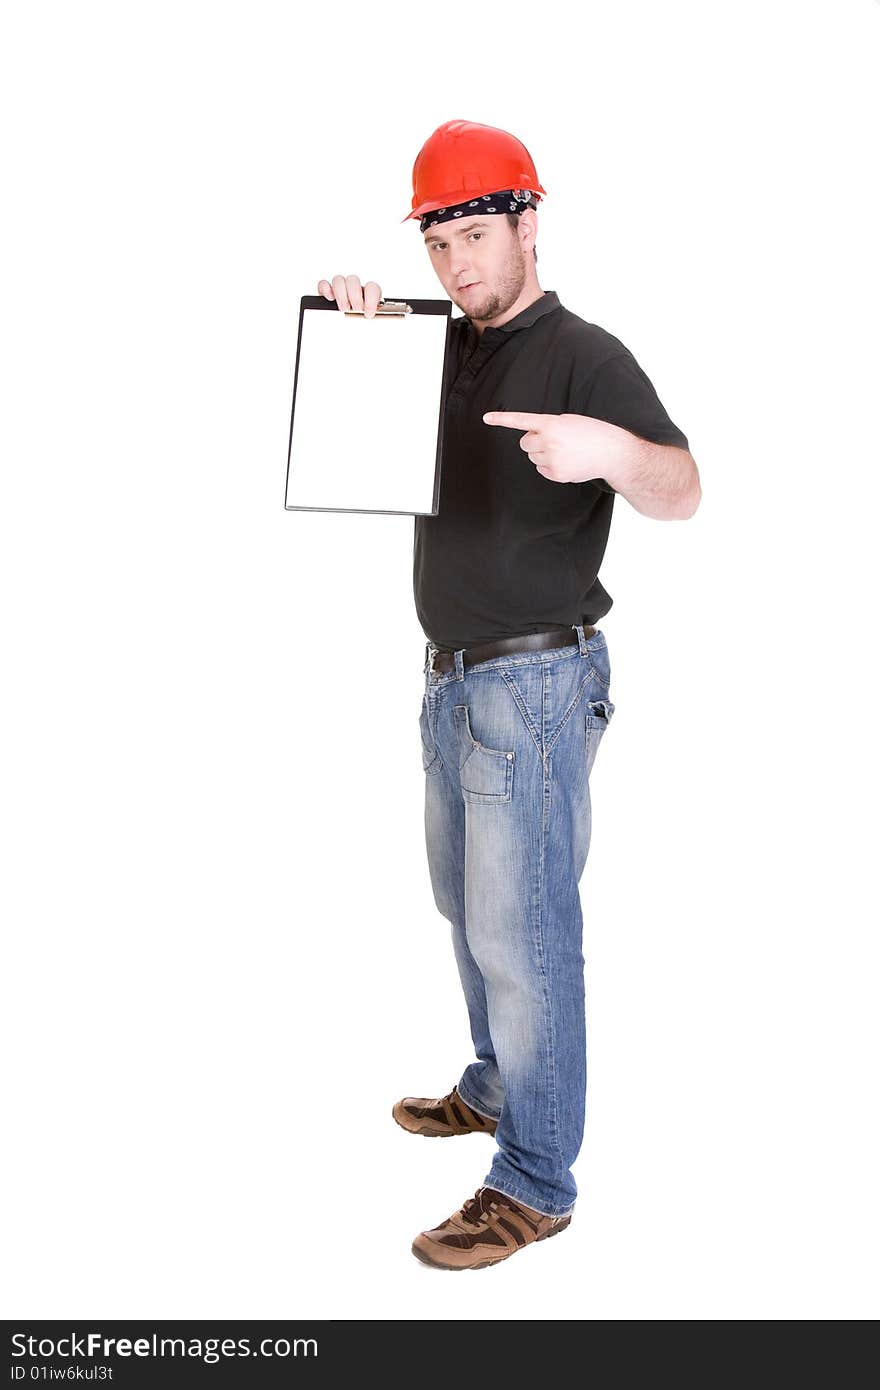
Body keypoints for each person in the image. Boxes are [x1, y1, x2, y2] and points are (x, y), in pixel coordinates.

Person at [317, 119, 700, 1271]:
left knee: (525, 933)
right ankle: (495, 1081)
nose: (457, 266)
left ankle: (535, 1179)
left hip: (535, 684)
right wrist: (358, 325)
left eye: (476, 236)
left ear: (528, 224)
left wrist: (611, 453)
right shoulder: (444, 343)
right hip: (449, 682)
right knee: (466, 910)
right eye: (439, 247)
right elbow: (367, 414)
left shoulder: (588, 354)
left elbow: (681, 488)